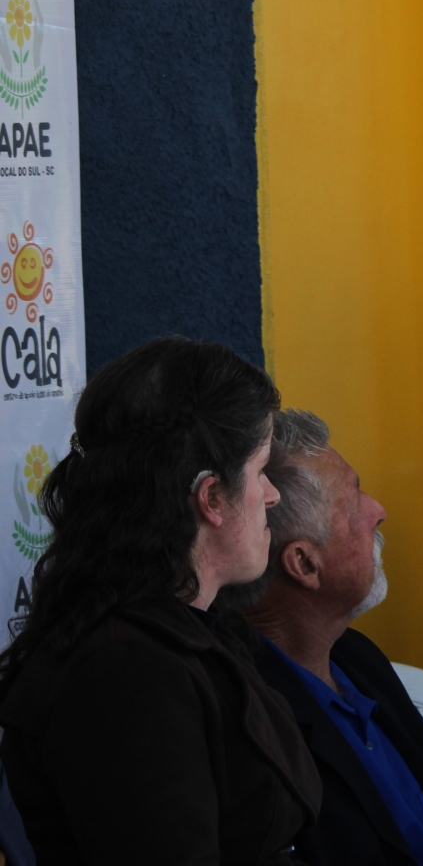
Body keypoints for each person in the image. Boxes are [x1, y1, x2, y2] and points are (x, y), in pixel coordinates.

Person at [0, 337, 321, 865]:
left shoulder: (178, 633)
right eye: (261, 470)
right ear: (211, 497)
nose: (272, 494)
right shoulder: (125, 676)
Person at [216, 410, 423, 866]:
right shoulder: (252, 721)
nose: (377, 510)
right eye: (353, 500)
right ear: (304, 564)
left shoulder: (356, 658)